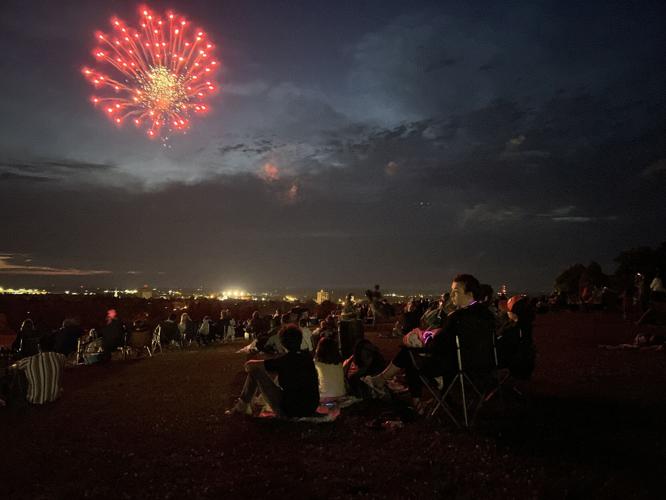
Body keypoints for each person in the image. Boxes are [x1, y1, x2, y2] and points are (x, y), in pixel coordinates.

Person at [363, 274, 496, 412]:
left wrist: (424, 338)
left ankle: (409, 397)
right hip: (482, 368)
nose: (452, 295)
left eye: (456, 292)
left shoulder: (458, 317)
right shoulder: (487, 316)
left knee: (409, 353)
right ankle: (384, 382)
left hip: (454, 369)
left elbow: (437, 345)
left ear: (470, 294)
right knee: (412, 353)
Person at [228, 324, 319, 418]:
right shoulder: (308, 359)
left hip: (290, 410)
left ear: (283, 343)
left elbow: (251, 365)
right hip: (310, 408)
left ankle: (241, 407)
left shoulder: (284, 361)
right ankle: (245, 405)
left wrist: (249, 364)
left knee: (255, 372)